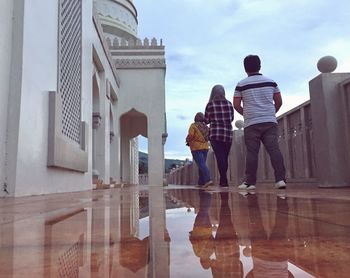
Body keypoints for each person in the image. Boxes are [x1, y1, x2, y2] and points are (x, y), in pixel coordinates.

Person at [233, 55, 286, 190]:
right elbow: (279, 101)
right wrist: (271, 112)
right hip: (269, 121)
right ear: (260, 66)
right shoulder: (271, 82)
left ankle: (250, 183)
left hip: (251, 123)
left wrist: (247, 114)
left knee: (252, 152)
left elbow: (236, 104)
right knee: (274, 150)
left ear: (245, 68)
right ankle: (280, 180)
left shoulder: (241, 84)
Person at [205, 85, 234, 187]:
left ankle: (223, 179)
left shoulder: (210, 105)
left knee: (220, 157)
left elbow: (207, 120)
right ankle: (223, 179)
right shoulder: (229, 104)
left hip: (215, 134)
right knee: (225, 157)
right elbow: (231, 118)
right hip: (227, 135)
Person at [186, 112, 213, 188]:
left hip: (196, 147)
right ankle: (201, 182)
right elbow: (209, 136)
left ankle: (208, 179)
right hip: (205, 147)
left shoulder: (193, 126)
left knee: (201, 164)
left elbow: (191, 135)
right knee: (201, 164)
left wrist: (188, 140)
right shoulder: (206, 127)